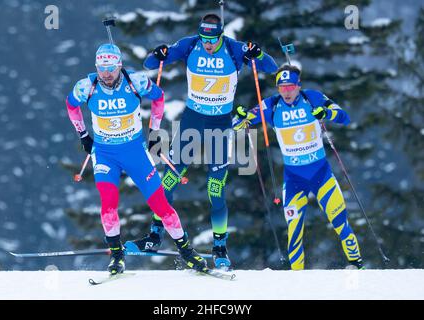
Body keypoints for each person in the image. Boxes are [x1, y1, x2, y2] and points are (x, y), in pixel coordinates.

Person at [135, 13, 278, 270]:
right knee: (168, 181)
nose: (208, 44)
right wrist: (157, 54)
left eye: (212, 39)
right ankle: (155, 236)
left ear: (220, 35)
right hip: (192, 123)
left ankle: (220, 247)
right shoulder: (190, 44)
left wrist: (258, 54)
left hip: (220, 127)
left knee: (216, 191)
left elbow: (270, 67)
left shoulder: (234, 49)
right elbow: (149, 62)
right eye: (205, 39)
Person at [65, 43, 208, 275]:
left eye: (111, 67)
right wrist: (83, 135)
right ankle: (117, 256)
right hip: (104, 154)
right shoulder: (86, 86)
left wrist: (154, 132)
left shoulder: (136, 82)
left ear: (119, 65)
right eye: (102, 68)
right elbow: (71, 105)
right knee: (108, 206)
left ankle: (187, 251)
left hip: (135, 152)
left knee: (161, 205)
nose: (106, 73)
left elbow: (159, 98)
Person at [232, 64, 364, 270]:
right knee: (294, 231)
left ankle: (357, 264)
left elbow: (344, 117)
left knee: (340, 222)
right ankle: (297, 278)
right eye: (281, 87)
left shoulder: (313, 98)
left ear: (298, 86)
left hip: (321, 174)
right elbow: (239, 123)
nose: (286, 92)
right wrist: (241, 117)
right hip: (294, 179)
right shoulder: (272, 105)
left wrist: (326, 114)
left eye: (290, 87)